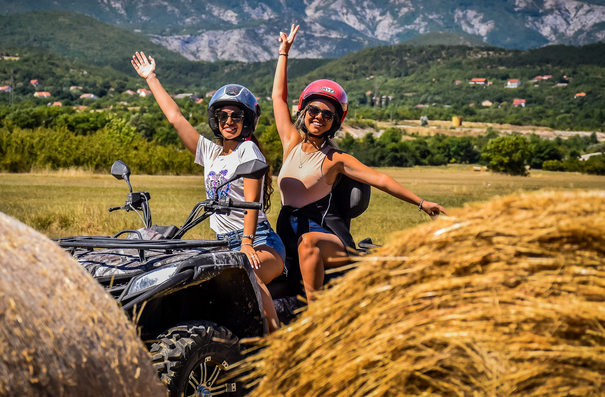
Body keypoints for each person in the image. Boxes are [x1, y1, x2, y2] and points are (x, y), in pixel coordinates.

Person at [272, 25, 448, 305]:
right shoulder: (290, 143)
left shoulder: (335, 159)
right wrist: (284, 52)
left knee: (308, 243)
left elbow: (380, 179)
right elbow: (278, 99)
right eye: (313, 110)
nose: (319, 117)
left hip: (325, 239)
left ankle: (315, 319)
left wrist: (422, 202)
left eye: (328, 114)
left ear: (335, 121)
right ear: (303, 112)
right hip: (287, 233)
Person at [131, 51, 285, 331]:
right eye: (222, 115)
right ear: (215, 118)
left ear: (246, 121)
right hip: (223, 241)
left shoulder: (248, 151)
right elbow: (176, 118)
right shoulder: (210, 152)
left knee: (247, 273)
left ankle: (277, 345)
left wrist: (247, 243)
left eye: (236, 115)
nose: (229, 121)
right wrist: (150, 77)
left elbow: (252, 204)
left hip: (260, 242)